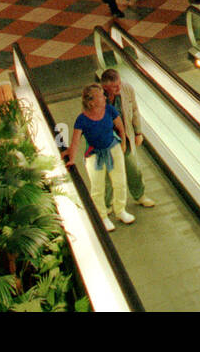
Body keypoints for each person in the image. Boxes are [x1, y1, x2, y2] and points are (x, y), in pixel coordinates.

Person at [62, 83, 136, 232]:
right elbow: (76, 141)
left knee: (120, 182)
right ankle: (102, 216)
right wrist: (71, 158)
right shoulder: (82, 119)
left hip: (113, 148)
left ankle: (120, 210)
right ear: (91, 102)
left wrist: (123, 141)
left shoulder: (109, 109)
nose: (104, 97)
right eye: (100, 96)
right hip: (94, 155)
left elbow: (120, 126)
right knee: (98, 187)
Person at [97, 69, 157, 210]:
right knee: (107, 175)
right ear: (105, 87)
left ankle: (139, 196)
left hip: (126, 138)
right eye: (115, 86)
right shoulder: (95, 97)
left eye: (119, 84)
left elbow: (134, 110)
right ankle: (106, 204)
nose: (119, 88)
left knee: (134, 169)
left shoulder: (127, 88)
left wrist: (138, 132)